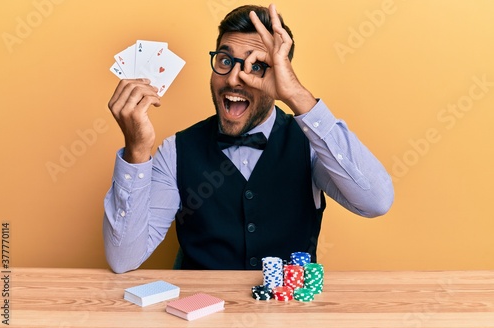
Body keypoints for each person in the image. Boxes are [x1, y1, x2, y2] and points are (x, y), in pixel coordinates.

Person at [103, 4, 394, 273]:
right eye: (226, 60)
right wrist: (136, 152)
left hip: (287, 316)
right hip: (200, 318)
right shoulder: (175, 151)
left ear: (280, 75)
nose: (233, 79)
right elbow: (123, 259)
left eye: (256, 67)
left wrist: (297, 95)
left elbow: (376, 201)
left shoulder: (311, 145)